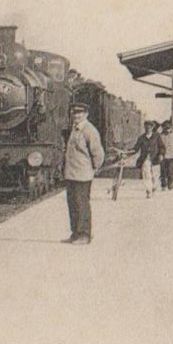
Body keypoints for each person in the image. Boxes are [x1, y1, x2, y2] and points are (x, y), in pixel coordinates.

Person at [62, 103, 105, 244]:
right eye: (74, 113)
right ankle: (75, 233)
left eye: (80, 113)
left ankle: (85, 235)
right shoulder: (75, 129)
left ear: (86, 114)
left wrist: (94, 168)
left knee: (82, 205)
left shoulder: (89, 130)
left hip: (82, 174)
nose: (76, 115)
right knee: (73, 205)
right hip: (71, 174)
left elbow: (98, 153)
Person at [131, 120, 161, 198]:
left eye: (149, 127)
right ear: (144, 128)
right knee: (146, 175)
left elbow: (162, 147)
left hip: (155, 158)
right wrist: (128, 152)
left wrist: (161, 154)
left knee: (155, 175)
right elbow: (136, 149)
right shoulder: (141, 138)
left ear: (152, 128)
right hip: (145, 159)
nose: (148, 129)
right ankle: (148, 190)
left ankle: (153, 187)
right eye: (146, 127)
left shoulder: (157, 136)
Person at [158, 120, 173, 191]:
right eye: (166, 128)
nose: (167, 130)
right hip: (163, 157)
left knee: (170, 171)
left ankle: (170, 184)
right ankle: (163, 184)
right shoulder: (160, 136)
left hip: (172, 157)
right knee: (163, 171)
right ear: (163, 128)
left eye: (168, 128)